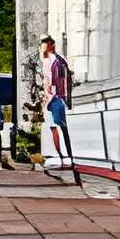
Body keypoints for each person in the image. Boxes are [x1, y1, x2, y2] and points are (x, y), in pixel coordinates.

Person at [38, 35, 75, 177]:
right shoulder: (48, 61)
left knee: (60, 127)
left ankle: (65, 156)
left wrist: (63, 98)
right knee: (54, 127)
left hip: (55, 99)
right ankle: (61, 156)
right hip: (50, 99)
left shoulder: (57, 62)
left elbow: (60, 82)